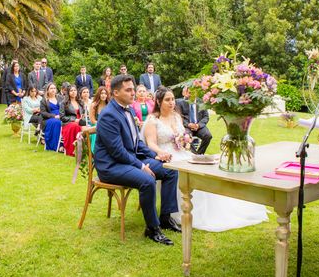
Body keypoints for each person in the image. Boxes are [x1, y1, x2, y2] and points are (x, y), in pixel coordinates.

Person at [143, 87, 268, 232]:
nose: (171, 103)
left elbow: (183, 134)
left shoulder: (176, 116)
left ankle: (204, 208)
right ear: (159, 102)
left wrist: (185, 139)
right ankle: (171, 213)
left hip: (182, 152)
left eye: (172, 99)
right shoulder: (153, 120)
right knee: (179, 172)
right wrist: (160, 152)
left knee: (199, 168)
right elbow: (151, 142)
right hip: (165, 155)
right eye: (167, 100)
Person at [93, 74, 180, 245]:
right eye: (128, 90)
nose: (133, 93)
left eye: (133, 89)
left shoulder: (129, 109)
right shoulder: (108, 115)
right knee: (147, 180)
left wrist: (154, 155)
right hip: (111, 166)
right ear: (116, 93)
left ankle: (165, 218)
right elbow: (117, 151)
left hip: (129, 160)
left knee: (170, 169)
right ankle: (152, 229)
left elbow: (136, 142)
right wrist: (141, 166)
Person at [176, 86, 212, 155]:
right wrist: (188, 124)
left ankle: (199, 154)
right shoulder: (179, 102)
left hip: (198, 126)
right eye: (189, 93)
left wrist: (198, 125)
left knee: (208, 135)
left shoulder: (201, 102)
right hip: (187, 126)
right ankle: (194, 154)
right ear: (185, 93)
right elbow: (179, 117)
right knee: (186, 136)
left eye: (193, 93)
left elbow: (206, 117)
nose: (191, 95)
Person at [60, 84, 85, 156]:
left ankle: (87, 149)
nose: (73, 92)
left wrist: (83, 117)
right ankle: (74, 150)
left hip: (80, 122)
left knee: (90, 126)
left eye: (74, 90)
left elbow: (83, 114)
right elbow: (62, 117)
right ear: (68, 92)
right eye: (71, 91)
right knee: (75, 126)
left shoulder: (81, 102)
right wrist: (74, 120)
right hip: (68, 123)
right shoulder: (64, 103)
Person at [40, 82, 62, 152]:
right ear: (47, 90)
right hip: (48, 119)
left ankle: (65, 145)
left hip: (61, 116)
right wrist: (54, 116)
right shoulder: (44, 100)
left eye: (54, 88)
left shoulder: (60, 98)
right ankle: (56, 146)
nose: (53, 90)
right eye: (51, 88)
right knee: (57, 123)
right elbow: (43, 113)